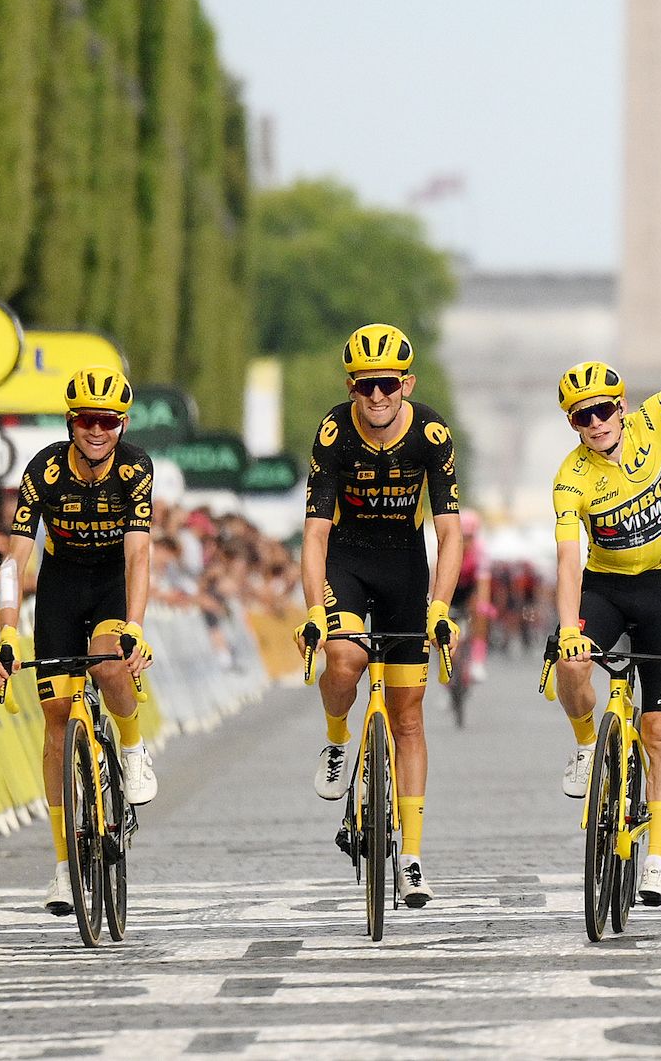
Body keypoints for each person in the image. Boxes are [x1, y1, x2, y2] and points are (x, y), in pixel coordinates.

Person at [550, 259, 661, 907]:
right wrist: (569, 630)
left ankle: (658, 859)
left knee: (659, 729)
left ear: (622, 405)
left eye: (601, 410)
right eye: (580, 417)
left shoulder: (651, 422)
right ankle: (587, 746)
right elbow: (567, 561)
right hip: (604, 586)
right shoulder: (571, 477)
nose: (595, 423)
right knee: (570, 667)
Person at [296, 324, 463, 910]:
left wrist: (439, 605)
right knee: (344, 657)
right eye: (365, 387)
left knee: (407, 714)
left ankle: (413, 859)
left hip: (403, 566)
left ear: (406, 384)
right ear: (351, 388)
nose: (376, 398)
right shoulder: (333, 432)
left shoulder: (432, 434)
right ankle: (338, 739)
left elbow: (449, 531)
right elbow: (314, 534)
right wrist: (315, 611)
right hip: (345, 559)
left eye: (387, 385)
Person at [0, 368, 158, 916]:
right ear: (71, 422)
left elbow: (138, 554)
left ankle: (131, 750)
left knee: (109, 665)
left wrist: (134, 623)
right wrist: (9, 630)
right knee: (57, 718)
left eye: (108, 421)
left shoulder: (135, 468)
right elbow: (16, 558)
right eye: (87, 420)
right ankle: (63, 868)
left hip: (112, 580)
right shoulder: (43, 468)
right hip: (61, 585)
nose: (97, 430)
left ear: (122, 424)